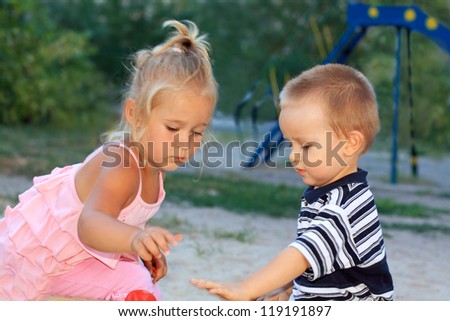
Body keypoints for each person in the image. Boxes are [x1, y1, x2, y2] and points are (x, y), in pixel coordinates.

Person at [0, 20, 218, 300]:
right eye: (173, 128)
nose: (184, 142)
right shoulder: (122, 163)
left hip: (80, 259)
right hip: (42, 258)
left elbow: (118, 222)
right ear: (135, 114)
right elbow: (90, 224)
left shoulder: (155, 166)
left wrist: (138, 249)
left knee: (139, 286)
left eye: (196, 132)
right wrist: (133, 238)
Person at [191, 64, 394, 301]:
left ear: (349, 144)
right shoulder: (330, 192)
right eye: (290, 144)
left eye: (306, 145)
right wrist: (287, 288)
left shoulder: (346, 208)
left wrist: (245, 289)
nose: (293, 155)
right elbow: (321, 258)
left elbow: (301, 255)